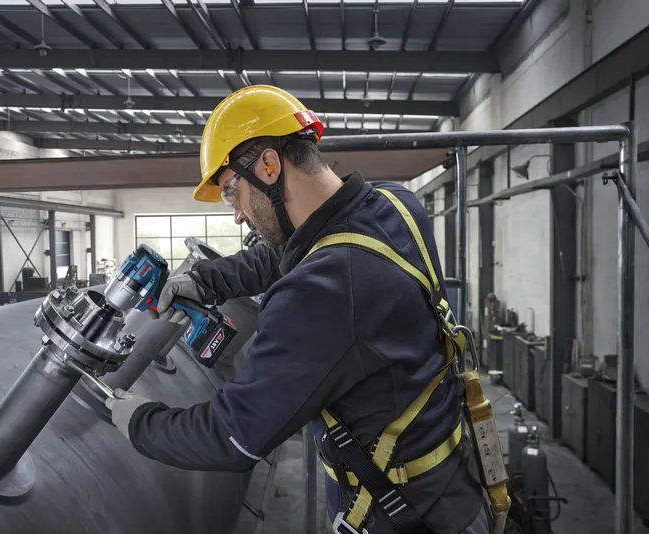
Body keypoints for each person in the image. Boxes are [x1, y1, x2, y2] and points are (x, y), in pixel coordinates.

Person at [106, 85, 492, 534]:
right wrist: (206, 280)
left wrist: (138, 421)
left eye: (233, 193)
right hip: (450, 493)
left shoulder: (320, 293)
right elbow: (291, 251)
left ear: (269, 166)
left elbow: (233, 437)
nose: (237, 215)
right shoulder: (392, 204)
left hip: (401, 518)